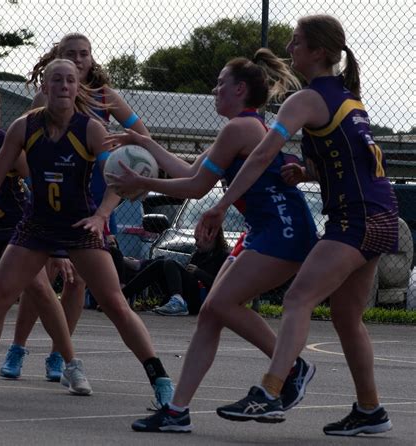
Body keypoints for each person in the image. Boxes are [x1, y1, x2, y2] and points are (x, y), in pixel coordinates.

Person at [196, 15, 396, 436]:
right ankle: (370, 410)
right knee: (345, 317)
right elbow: (350, 164)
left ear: (318, 52)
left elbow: (263, 154)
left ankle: (270, 390)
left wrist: (221, 205)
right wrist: (307, 175)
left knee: (298, 299)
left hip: (356, 219)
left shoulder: (305, 100)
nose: (289, 48)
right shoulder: (348, 97)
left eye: (297, 41)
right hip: (379, 215)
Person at [106, 49, 319, 432]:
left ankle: (291, 367)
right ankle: (177, 411)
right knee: (210, 313)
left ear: (239, 89)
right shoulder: (240, 127)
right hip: (266, 230)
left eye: (221, 84)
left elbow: (195, 187)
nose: (214, 89)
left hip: (283, 230)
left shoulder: (241, 129)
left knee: (221, 303)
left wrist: (142, 182)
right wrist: (145, 143)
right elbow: (189, 170)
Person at [0, 59, 174, 409]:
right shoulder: (24, 127)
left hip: (80, 225)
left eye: (70, 80)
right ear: (45, 88)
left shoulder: (91, 129)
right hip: (35, 225)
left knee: (114, 303)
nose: (64, 85)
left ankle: (161, 381)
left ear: (76, 88)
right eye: (56, 80)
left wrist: (101, 215)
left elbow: (118, 177)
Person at [0, 32, 151, 381]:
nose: (79, 60)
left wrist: (136, 154)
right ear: (58, 57)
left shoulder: (105, 97)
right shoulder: (44, 98)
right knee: (41, 277)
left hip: (94, 199)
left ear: (92, 59)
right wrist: (34, 180)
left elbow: (141, 134)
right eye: (71, 54)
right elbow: (24, 147)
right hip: (50, 196)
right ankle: (18, 346)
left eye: (84, 54)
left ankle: (58, 354)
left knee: (78, 281)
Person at [0, 80, 92, 404]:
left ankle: (70, 363)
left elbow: (40, 189)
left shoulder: (7, 145)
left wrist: (55, 245)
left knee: (38, 288)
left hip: (17, 229)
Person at [122, 228, 230, 316]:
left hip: (203, 299)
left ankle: (178, 302)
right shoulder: (199, 254)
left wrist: (199, 272)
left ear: (211, 238)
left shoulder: (223, 256)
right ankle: (123, 295)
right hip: (190, 294)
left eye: (198, 240)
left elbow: (221, 286)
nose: (196, 244)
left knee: (170, 263)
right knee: (160, 263)